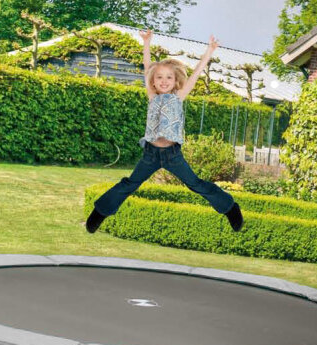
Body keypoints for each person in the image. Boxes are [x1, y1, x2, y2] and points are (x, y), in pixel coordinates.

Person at [86, 29, 243, 233]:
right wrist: (146, 43)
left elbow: (196, 73)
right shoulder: (152, 96)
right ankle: (100, 212)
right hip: (150, 155)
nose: (164, 80)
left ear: (176, 81)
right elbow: (147, 67)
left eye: (169, 77)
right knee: (130, 184)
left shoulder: (179, 96)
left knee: (195, 184)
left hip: (172, 155)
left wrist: (209, 51)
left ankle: (230, 207)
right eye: (159, 77)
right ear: (153, 81)